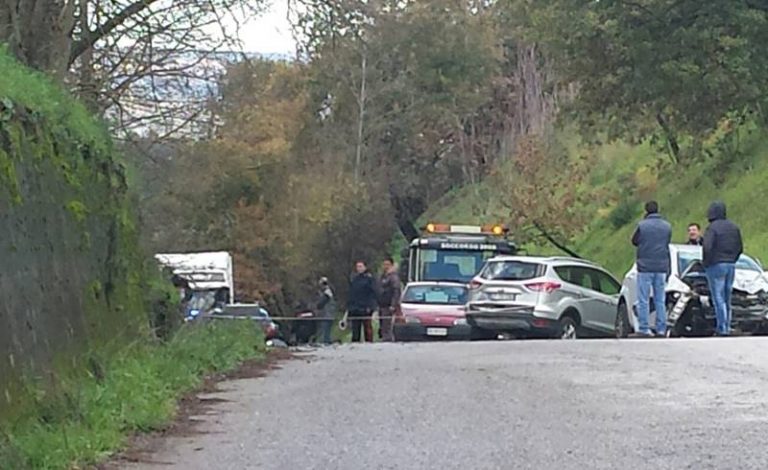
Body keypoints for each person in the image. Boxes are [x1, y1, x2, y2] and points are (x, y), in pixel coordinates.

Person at [631, 201, 672, 337]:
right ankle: (661, 328)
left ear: (646, 210)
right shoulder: (667, 226)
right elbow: (667, 242)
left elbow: (634, 241)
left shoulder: (642, 225)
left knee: (643, 298)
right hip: (661, 266)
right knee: (660, 299)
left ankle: (644, 328)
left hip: (645, 266)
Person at [702, 201, 743, 336]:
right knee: (727, 296)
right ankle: (727, 325)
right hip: (730, 264)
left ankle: (722, 327)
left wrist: (706, 263)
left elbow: (707, 247)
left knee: (718, 297)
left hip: (716, 264)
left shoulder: (712, 228)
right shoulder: (734, 227)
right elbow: (739, 247)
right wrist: (733, 259)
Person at [348, 261, 377, 342]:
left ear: (365, 267)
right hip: (355, 308)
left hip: (365, 308)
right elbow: (351, 294)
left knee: (367, 328)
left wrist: (371, 307)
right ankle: (355, 343)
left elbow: (373, 293)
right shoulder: (354, 279)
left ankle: (369, 343)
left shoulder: (369, 279)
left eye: (361, 266)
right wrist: (350, 307)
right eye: (357, 266)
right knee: (355, 329)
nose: (359, 268)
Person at [377, 257, 402, 342]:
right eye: (384, 264)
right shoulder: (382, 276)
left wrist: (393, 304)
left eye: (387, 264)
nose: (385, 266)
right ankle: (384, 338)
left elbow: (396, 291)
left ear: (391, 265)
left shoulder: (393, 277)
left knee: (387, 324)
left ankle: (388, 340)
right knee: (382, 324)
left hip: (389, 305)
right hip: (381, 304)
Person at [315, 277, 336, 345]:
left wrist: (317, 307)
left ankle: (326, 342)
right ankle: (326, 341)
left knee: (325, 331)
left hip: (327, 315)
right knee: (326, 330)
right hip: (329, 314)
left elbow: (320, 304)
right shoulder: (329, 291)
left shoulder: (327, 293)